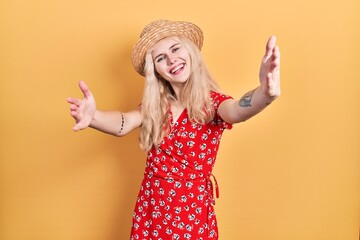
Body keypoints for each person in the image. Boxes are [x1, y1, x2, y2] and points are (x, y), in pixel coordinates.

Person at [67, 19, 280, 240]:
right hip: (152, 208)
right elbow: (123, 123)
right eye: (160, 58)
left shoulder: (212, 104)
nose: (171, 60)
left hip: (190, 212)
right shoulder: (156, 106)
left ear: (189, 51)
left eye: (175, 49)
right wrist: (93, 116)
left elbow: (237, 110)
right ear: (156, 71)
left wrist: (264, 94)